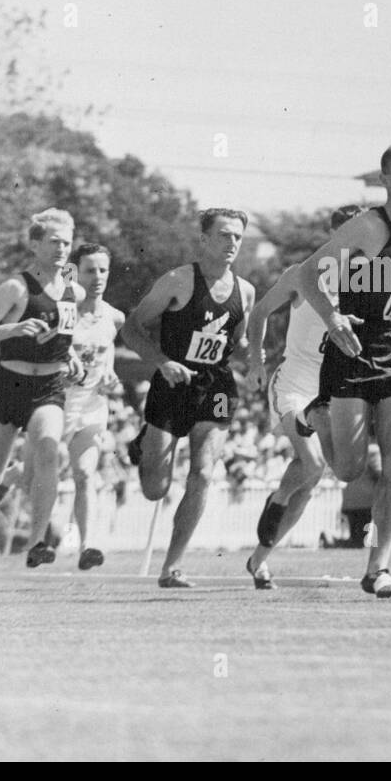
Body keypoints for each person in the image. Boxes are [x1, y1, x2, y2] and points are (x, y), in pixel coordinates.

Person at [294, 141, 391, 599]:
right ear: (385, 180)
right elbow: (307, 275)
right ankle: (318, 419)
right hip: (353, 351)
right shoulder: (368, 228)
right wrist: (333, 316)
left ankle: (378, 568)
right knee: (348, 469)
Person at [0, 209, 86, 568]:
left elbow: (61, 333)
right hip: (10, 382)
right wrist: (13, 329)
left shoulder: (75, 292)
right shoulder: (16, 288)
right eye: (53, 242)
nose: (60, 249)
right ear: (35, 244)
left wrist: (70, 354)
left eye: (66, 243)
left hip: (50, 386)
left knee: (48, 451)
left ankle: (38, 542)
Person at [123, 208, 255, 587]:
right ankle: (144, 445)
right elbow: (132, 329)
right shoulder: (178, 281)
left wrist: (255, 356)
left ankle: (172, 567)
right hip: (173, 380)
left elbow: (238, 339)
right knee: (155, 489)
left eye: (238, 237)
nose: (232, 244)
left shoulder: (244, 291)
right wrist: (161, 361)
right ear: (204, 239)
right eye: (225, 235)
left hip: (215, 386)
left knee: (202, 472)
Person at [243, 205, 362, 588]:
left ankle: (260, 560)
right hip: (294, 382)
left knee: (313, 480)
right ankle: (277, 498)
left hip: (331, 388)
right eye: (346, 236)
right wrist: (256, 359)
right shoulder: (303, 275)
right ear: (332, 235)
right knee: (310, 464)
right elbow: (260, 312)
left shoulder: (367, 281)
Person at [58, 242, 124, 570]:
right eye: (89, 270)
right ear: (76, 272)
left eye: (103, 270)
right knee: (37, 474)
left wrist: (110, 376)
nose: (97, 277)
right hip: (58, 403)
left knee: (85, 474)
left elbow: (105, 352)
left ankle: (87, 545)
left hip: (93, 405)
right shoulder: (64, 310)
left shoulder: (113, 316)